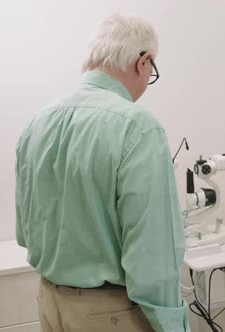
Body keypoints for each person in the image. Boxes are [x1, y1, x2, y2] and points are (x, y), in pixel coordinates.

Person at [15, 13, 189, 332]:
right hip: (111, 314)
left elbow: (25, 232)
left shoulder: (37, 124)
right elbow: (153, 256)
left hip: (50, 302)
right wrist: (174, 325)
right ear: (143, 61)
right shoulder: (138, 127)